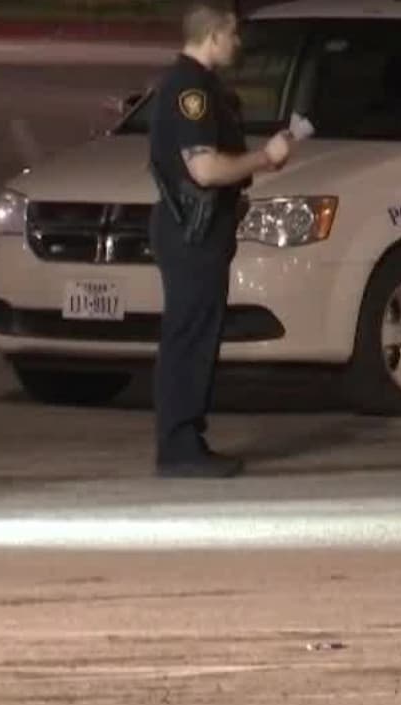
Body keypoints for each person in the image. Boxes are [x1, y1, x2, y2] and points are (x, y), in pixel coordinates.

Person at [147, 0, 293, 478]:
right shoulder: (192, 90)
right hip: (193, 230)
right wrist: (266, 159)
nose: (237, 43)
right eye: (232, 34)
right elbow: (205, 169)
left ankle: (184, 440)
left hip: (199, 228)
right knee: (190, 337)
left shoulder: (197, 86)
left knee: (193, 334)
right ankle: (180, 445)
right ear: (213, 35)